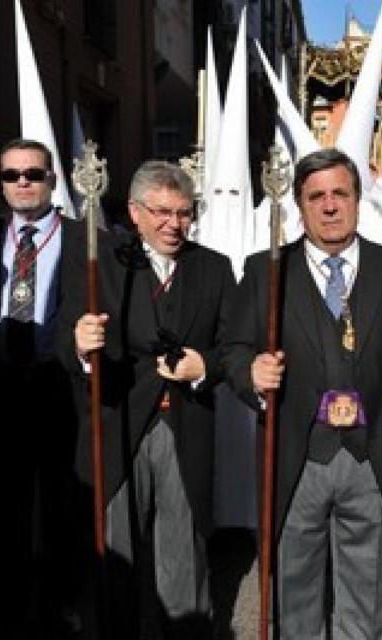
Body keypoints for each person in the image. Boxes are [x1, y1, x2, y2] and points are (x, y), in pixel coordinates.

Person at [223, 148, 382, 638]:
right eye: (316, 196)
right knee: (293, 596)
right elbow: (232, 350)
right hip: (296, 456)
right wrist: (249, 371)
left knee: (370, 598)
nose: (330, 206)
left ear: (358, 200)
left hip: (375, 455)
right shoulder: (265, 271)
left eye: (340, 193)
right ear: (300, 205)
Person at [59, 160, 236, 637]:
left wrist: (207, 367)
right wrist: (79, 343)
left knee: (183, 567)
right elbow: (65, 334)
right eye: (160, 211)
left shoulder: (213, 268)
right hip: (118, 424)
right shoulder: (101, 261)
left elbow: (235, 347)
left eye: (182, 212)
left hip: (184, 425)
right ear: (135, 212)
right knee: (116, 560)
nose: (172, 224)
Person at [0, 138, 84, 638]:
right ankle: (4, 601)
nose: (22, 183)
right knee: (3, 505)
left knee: (61, 503)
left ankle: (61, 603)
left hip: (57, 387)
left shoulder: (84, 239)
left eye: (33, 174)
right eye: (11, 175)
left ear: (52, 181)